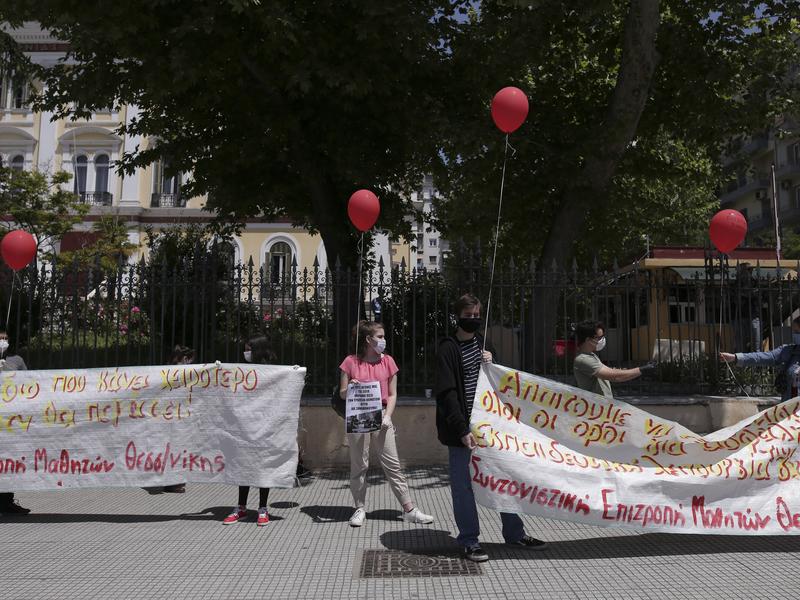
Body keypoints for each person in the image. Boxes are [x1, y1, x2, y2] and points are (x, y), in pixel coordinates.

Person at [435, 294, 547, 562]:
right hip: (462, 431)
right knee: (464, 488)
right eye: (468, 315)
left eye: (477, 315)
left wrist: (491, 360)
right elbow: (447, 394)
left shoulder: (482, 344)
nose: (473, 320)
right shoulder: (447, 349)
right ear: (458, 316)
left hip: (489, 427)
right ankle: (469, 541)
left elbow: (497, 382)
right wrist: (462, 430)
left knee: (501, 479)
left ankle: (515, 533)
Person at [339, 320, 434, 527]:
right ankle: (359, 508)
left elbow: (392, 394)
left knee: (393, 464)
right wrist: (351, 387)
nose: (384, 340)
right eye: (380, 337)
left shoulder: (388, 361)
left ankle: (409, 508)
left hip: (381, 414)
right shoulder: (350, 362)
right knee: (359, 464)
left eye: (383, 336)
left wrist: (388, 416)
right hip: (358, 415)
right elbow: (342, 393)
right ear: (368, 340)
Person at [222, 336, 275, 526]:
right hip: (244, 427)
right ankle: (241, 507)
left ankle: (263, 508)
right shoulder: (242, 371)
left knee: (262, 468)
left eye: (248, 349)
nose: (245, 353)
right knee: (243, 466)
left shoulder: (273, 372)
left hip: (264, 427)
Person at [720, 316, 800, 401]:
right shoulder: (788, 351)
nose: (794, 335)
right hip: (789, 409)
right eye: (794, 332)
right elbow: (763, 357)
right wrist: (735, 357)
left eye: (797, 332)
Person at [573, 320, 655, 399]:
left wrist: (625, 371)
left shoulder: (591, 355)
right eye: (599, 337)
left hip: (602, 407)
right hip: (596, 409)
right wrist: (642, 370)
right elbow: (614, 376)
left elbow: (612, 373)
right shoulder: (583, 359)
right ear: (588, 340)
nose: (602, 340)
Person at [0, 329, 30, 515]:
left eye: (5, 339)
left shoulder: (17, 360)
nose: (3, 342)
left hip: (10, 420)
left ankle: (6, 502)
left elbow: (29, 382)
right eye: (0, 339)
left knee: (8, 461)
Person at [164, 345, 194, 493]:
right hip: (173, 416)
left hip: (176, 416)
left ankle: (175, 480)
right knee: (176, 448)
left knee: (175, 448)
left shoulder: (171, 370)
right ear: (185, 359)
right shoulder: (174, 371)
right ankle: (173, 482)